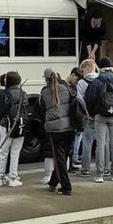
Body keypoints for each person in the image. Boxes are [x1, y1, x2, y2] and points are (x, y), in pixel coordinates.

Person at [85, 57, 113, 183]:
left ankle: (99, 174)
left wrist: (93, 113)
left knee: (100, 144)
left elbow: (89, 100)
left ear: (100, 67)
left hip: (100, 116)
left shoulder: (96, 81)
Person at [41, 67, 74, 196]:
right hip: (69, 127)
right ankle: (53, 182)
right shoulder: (66, 88)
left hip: (54, 129)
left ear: (46, 79)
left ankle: (66, 186)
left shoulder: (44, 92)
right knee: (63, 156)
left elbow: (42, 111)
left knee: (59, 159)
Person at [0, 71, 27, 188]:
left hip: (5, 124)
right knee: (15, 151)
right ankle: (12, 177)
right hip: (19, 124)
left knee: (3, 151)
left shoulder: (3, 94)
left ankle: (0, 177)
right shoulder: (22, 93)